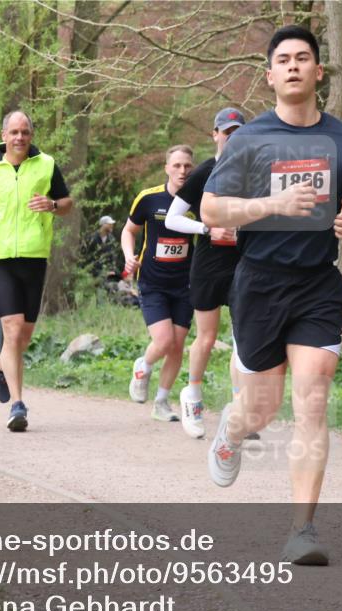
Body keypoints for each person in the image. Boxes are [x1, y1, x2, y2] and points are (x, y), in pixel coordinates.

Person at [201, 26, 342, 564]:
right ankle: (231, 431)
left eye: (304, 58)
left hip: (317, 284)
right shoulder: (251, 138)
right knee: (261, 409)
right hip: (260, 281)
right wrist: (271, 206)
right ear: (271, 75)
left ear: (319, 72)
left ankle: (303, 530)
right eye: (284, 60)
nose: (294, 66)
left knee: (313, 398)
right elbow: (211, 210)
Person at [0, 110, 73, 432]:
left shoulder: (47, 165)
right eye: (14, 132)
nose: (20, 137)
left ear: (31, 135)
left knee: (22, 337)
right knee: (11, 330)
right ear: (3, 134)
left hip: (34, 255)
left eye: (25, 132)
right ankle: (17, 404)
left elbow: (66, 202)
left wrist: (52, 206)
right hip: (1, 257)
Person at [164, 108, 246, 438]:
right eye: (227, 132)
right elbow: (172, 218)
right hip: (210, 263)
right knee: (208, 337)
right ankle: (192, 395)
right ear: (215, 134)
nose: (233, 137)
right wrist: (207, 229)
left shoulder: (253, 172)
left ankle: (239, 410)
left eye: (239, 132)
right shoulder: (205, 172)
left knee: (244, 340)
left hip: (244, 264)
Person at [121, 145, 195, 422]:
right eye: (176, 165)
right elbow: (129, 231)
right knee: (163, 341)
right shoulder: (149, 199)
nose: (182, 171)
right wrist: (130, 257)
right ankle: (143, 365)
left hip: (185, 284)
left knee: (177, 345)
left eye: (187, 166)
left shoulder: (198, 202)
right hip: (153, 282)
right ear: (166, 168)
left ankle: (161, 402)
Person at [84, 215, 122, 281]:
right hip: (95, 270)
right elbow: (88, 257)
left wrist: (112, 269)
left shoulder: (111, 239)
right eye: (109, 224)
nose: (111, 226)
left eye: (112, 224)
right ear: (103, 225)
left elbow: (113, 257)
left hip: (108, 269)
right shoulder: (92, 238)